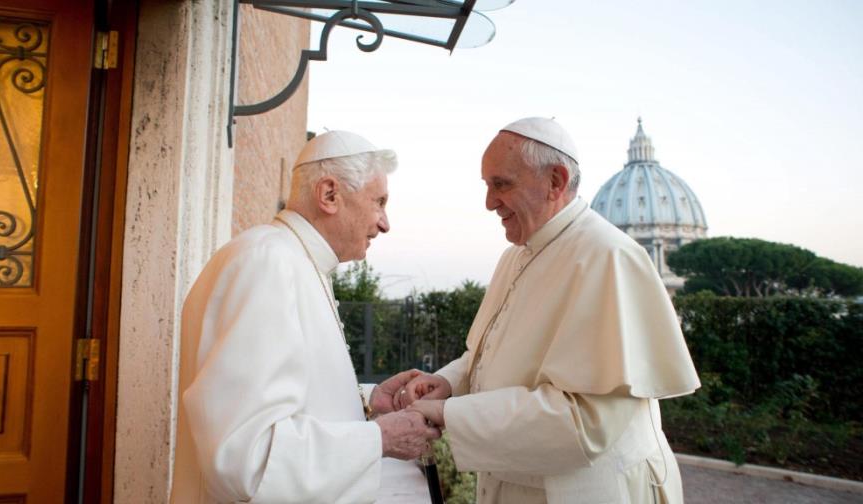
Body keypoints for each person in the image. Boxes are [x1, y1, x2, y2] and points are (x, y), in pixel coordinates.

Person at [398, 117, 701, 503]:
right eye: (487, 186)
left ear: (555, 181)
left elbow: (585, 422)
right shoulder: (515, 256)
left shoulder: (608, 257)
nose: (489, 202)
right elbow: (486, 357)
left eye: (501, 184)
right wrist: (449, 384)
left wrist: (449, 414)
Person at [170, 131, 440, 504]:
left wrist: (368, 402)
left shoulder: (293, 261)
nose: (384, 223)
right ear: (329, 195)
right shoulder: (268, 263)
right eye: (378, 202)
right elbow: (248, 459)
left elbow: (292, 397)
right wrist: (380, 438)